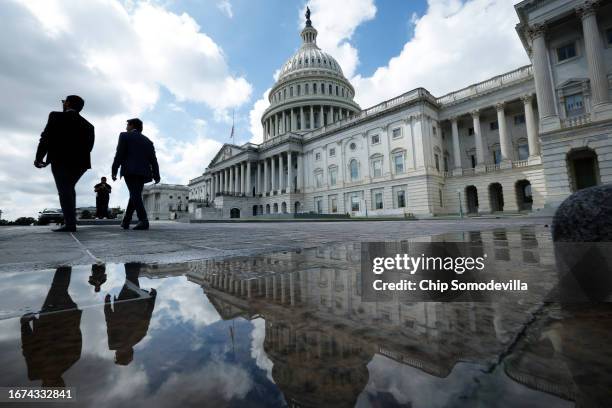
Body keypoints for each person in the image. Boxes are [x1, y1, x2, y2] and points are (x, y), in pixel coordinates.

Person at [34, 95, 95, 232]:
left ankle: (70, 224)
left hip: (60, 160)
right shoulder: (89, 125)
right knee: (68, 188)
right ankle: (70, 222)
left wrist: (39, 158)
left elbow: (46, 138)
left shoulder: (55, 116)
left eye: (63, 102)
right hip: (81, 163)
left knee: (64, 190)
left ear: (67, 103)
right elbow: (89, 147)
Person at [20, 267, 82, 387]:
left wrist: (25, 324)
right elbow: (28, 347)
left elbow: (28, 348)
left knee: (59, 288)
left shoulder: (72, 359)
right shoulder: (36, 370)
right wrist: (25, 324)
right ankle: (65, 263)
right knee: (58, 287)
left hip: (63, 316)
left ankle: (65, 264)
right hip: (52, 319)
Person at [111, 118, 160, 230]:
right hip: (144, 172)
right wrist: (156, 174)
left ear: (132, 126)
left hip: (130, 170)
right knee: (135, 194)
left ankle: (143, 220)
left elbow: (119, 154)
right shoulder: (148, 141)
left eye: (127, 125)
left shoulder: (124, 136)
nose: (126, 127)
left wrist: (114, 169)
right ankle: (126, 221)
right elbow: (153, 160)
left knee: (135, 194)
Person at [104, 263, 157, 365]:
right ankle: (131, 262)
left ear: (130, 353)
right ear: (118, 354)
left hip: (138, 304)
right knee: (131, 280)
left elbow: (147, 316)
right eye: (116, 356)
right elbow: (110, 321)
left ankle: (132, 263)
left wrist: (152, 300)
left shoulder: (138, 338)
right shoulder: (114, 344)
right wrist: (107, 304)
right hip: (123, 305)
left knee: (132, 280)